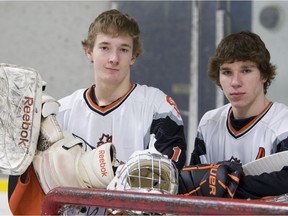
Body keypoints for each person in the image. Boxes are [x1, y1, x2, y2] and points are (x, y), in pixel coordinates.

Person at [8, 9, 187, 215]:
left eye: (123, 49)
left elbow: (167, 180)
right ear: (89, 52)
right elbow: (29, 198)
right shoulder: (60, 113)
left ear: (134, 56)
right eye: (104, 47)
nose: (113, 58)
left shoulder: (159, 107)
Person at [188, 31, 288, 199]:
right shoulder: (209, 123)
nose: (235, 82)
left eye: (246, 70)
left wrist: (228, 184)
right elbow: (194, 184)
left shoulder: (282, 123)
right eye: (227, 72)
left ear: (264, 74)